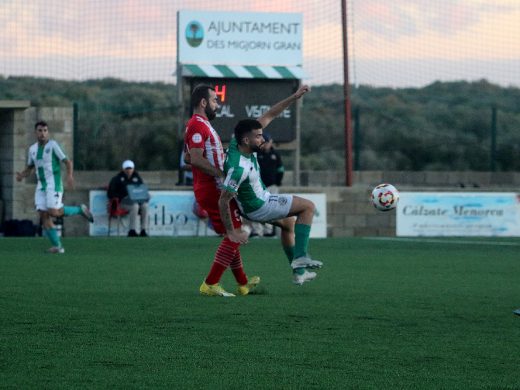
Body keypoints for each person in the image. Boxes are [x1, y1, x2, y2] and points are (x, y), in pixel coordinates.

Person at [219, 85, 323, 285]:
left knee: (288, 225)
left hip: (257, 203)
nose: (262, 138)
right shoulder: (238, 167)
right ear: (246, 139)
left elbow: (271, 114)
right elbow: (223, 200)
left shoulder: (236, 143)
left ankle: (299, 273)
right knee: (308, 207)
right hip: (259, 206)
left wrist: (294, 96)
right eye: (258, 136)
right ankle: (301, 257)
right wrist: (231, 231)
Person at [184, 84, 260, 297]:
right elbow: (196, 158)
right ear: (203, 102)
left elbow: (187, 157)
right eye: (215, 100)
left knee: (231, 233)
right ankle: (210, 283)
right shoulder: (198, 125)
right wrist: (220, 173)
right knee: (237, 233)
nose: (218, 105)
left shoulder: (200, 125)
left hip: (211, 187)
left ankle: (243, 283)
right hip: (212, 189)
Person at [15, 120, 94, 253]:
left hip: (53, 183)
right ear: (35, 132)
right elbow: (30, 167)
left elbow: (67, 161)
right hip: (41, 186)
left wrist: (69, 176)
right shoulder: (32, 149)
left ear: (48, 132)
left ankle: (79, 209)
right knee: (43, 215)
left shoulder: (53, 146)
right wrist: (22, 175)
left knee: (54, 212)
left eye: (45, 130)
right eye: (40, 130)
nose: (43, 133)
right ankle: (58, 246)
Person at [247, 131, 284, 237]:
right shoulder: (256, 154)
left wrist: (277, 182)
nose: (266, 144)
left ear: (271, 142)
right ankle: (256, 230)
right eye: (264, 142)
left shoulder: (275, 155)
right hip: (257, 185)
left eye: (268, 142)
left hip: (272, 185)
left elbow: (280, 169)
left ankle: (269, 230)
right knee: (255, 206)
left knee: (271, 207)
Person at [107, 160, 149, 237]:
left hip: (136, 200)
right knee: (135, 206)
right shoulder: (117, 179)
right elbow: (110, 193)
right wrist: (121, 196)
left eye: (130, 168)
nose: (129, 170)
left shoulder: (137, 178)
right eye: (127, 169)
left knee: (144, 206)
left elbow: (142, 189)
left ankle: (143, 230)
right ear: (123, 169)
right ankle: (132, 230)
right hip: (122, 202)